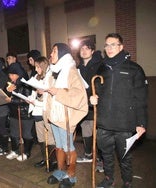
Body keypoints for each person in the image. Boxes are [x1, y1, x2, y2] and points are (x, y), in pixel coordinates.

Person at [90, 33, 147, 188]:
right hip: (104, 123)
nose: (109, 48)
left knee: (125, 157)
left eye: (113, 44)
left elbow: (141, 98)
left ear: (121, 46)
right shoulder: (101, 68)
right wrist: (93, 99)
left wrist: (141, 123)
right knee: (106, 155)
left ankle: (127, 182)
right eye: (107, 45)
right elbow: (98, 91)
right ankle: (109, 179)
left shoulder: (134, 69)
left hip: (125, 123)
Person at [45, 43, 88, 188]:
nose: (51, 54)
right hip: (55, 115)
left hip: (66, 116)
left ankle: (71, 175)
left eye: (54, 51)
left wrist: (58, 92)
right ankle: (60, 171)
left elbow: (79, 94)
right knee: (59, 146)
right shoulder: (54, 71)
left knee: (68, 146)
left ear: (63, 54)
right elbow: (51, 90)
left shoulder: (71, 70)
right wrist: (43, 91)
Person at [76, 40, 104, 172]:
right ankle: (88, 155)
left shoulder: (99, 65)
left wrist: (95, 93)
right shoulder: (79, 67)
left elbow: (102, 83)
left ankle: (101, 160)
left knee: (98, 133)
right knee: (85, 128)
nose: (84, 51)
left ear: (92, 51)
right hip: (84, 104)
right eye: (82, 48)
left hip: (96, 103)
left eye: (87, 48)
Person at [27, 56, 57, 172]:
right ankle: (45, 159)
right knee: (40, 138)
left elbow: (50, 96)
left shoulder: (50, 76)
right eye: (35, 67)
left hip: (46, 110)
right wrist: (29, 98)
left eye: (38, 67)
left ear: (44, 66)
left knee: (50, 138)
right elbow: (35, 93)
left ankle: (53, 161)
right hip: (37, 111)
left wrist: (40, 95)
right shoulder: (36, 77)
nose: (36, 70)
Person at [4, 62, 35, 161]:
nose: (11, 77)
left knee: (27, 134)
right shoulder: (9, 84)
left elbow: (27, 100)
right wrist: (8, 91)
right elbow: (4, 96)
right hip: (13, 112)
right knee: (14, 133)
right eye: (9, 74)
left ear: (19, 74)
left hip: (25, 113)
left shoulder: (25, 84)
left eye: (13, 74)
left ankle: (26, 152)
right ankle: (15, 150)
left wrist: (12, 100)